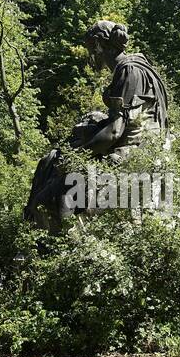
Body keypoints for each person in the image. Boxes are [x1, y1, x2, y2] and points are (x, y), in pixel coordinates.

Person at [24, 21, 169, 226]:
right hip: (151, 151)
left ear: (99, 44)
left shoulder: (127, 71)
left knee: (47, 197)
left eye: (91, 49)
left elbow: (114, 132)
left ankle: (62, 245)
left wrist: (77, 156)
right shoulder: (143, 68)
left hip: (132, 154)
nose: (91, 56)